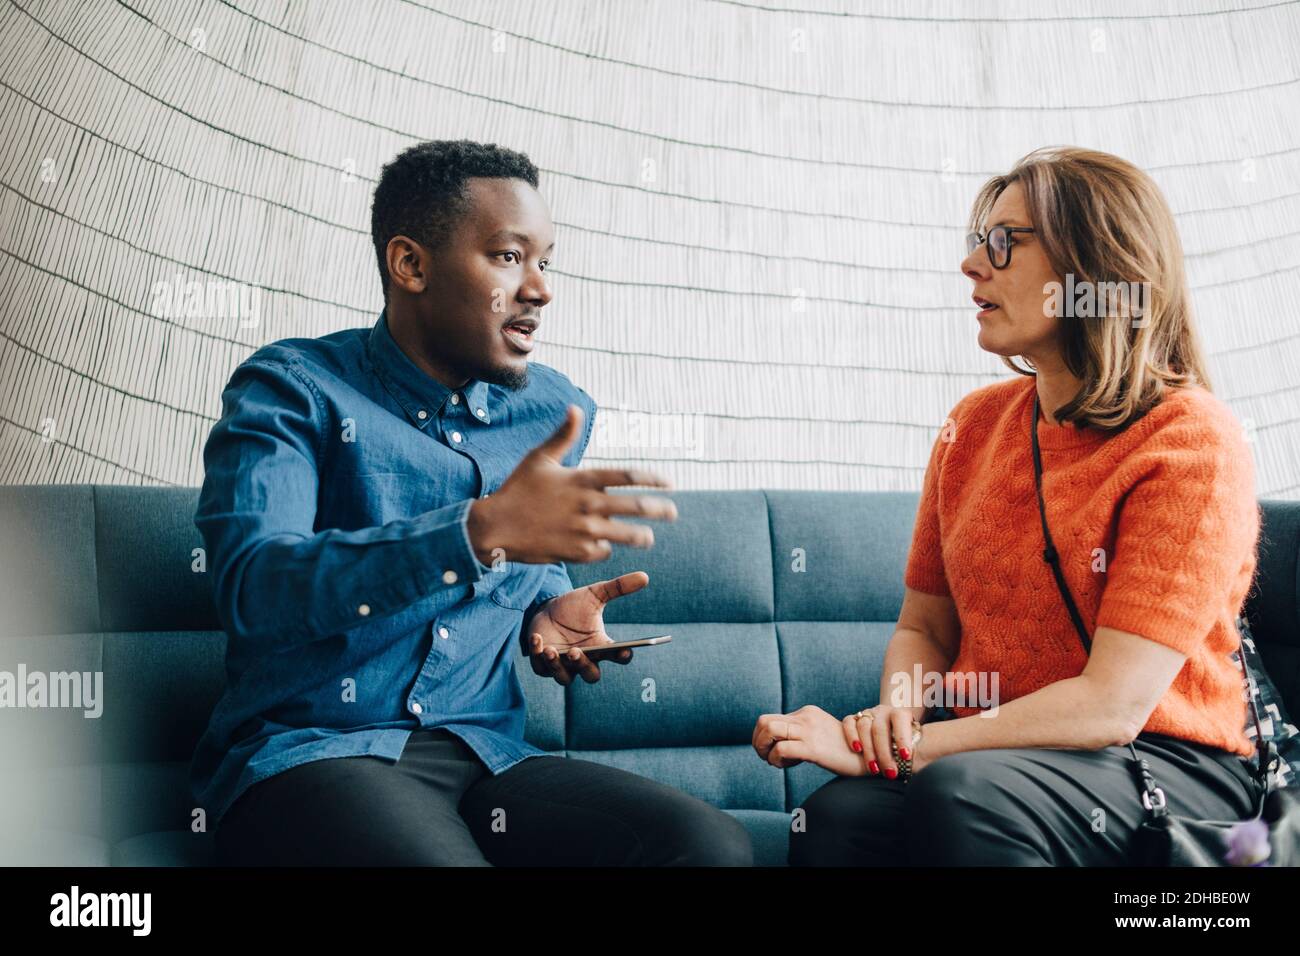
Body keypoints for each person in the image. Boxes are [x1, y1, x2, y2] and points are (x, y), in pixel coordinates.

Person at [192, 139, 752, 866]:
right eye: (509, 257)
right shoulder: (293, 387)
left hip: (486, 755)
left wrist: (546, 611)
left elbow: (525, 563)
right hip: (312, 755)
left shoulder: (553, 409)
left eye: (545, 262)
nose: (541, 289)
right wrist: (474, 531)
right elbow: (253, 586)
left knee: (710, 848)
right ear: (412, 264)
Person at [753, 146, 1264, 866]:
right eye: (976, 243)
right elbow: (924, 626)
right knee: (840, 819)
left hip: (1168, 764)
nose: (972, 266)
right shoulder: (974, 426)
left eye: (1005, 243)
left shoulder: (1192, 441)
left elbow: (1111, 706)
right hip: (995, 759)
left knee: (962, 793)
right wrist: (900, 710)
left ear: (1096, 267)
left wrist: (905, 751)